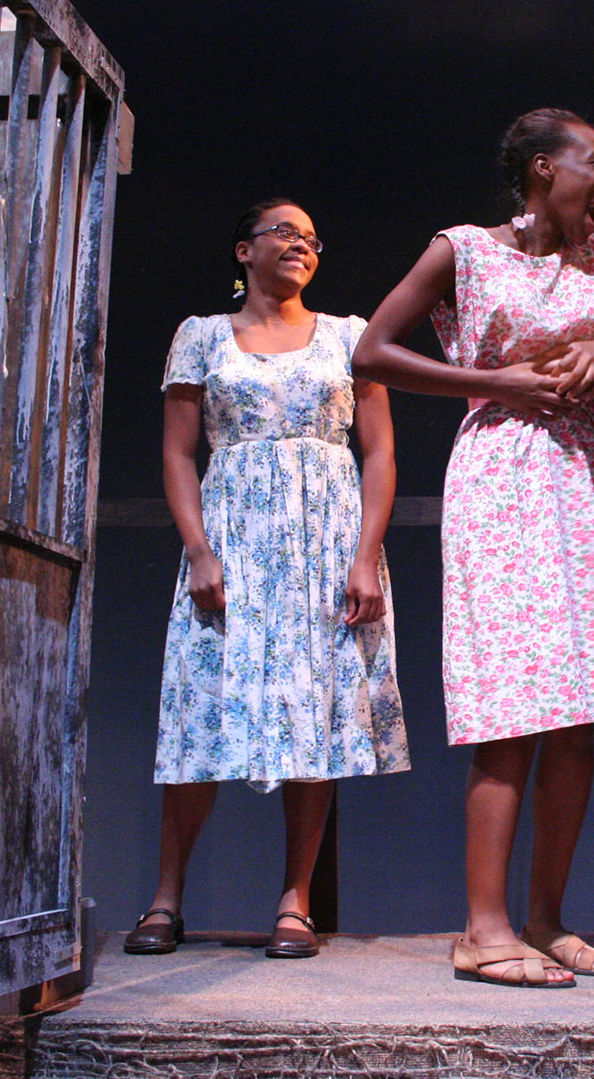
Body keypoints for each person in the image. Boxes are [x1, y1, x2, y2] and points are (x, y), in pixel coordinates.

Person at [352, 109, 594, 988]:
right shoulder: (462, 248)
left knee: (578, 710)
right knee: (514, 708)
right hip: (499, 472)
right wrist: (490, 381)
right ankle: (481, 928)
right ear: (542, 168)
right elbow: (372, 352)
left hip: (580, 475)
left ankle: (545, 919)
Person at [124, 199, 408, 961]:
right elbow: (180, 452)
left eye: (313, 238)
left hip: (326, 545)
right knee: (201, 710)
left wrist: (363, 556)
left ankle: (295, 900)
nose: (301, 244)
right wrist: (199, 550)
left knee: (313, 715)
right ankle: (165, 898)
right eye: (285, 232)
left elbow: (377, 452)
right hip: (233, 544)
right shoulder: (202, 336)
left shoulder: (351, 338)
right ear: (243, 249)